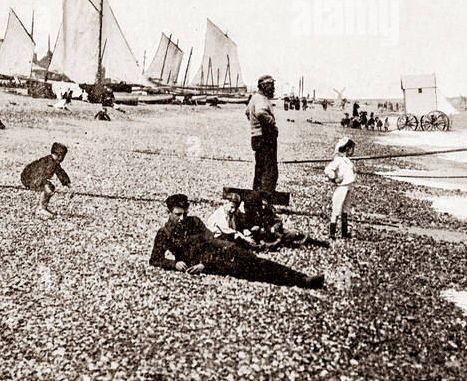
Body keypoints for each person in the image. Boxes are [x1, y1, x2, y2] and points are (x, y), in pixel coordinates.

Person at [149, 194, 323, 289]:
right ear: (169, 212)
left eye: (184, 213)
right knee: (253, 272)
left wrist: (204, 263)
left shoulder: (194, 221)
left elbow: (212, 241)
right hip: (215, 264)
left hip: (219, 253)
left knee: (259, 262)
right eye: (177, 214)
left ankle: (302, 278)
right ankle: (302, 282)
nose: (182, 218)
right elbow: (155, 259)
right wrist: (174, 264)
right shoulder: (164, 233)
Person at [246, 74, 278, 194]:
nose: (273, 88)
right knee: (269, 169)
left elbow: (247, 112)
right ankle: (265, 198)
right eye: (272, 85)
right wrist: (272, 123)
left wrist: (254, 126)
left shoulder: (254, 98)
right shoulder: (261, 99)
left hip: (256, 136)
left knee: (260, 167)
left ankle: (257, 194)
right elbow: (260, 112)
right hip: (265, 137)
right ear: (264, 86)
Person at [21, 143, 71, 217]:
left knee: (50, 188)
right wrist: (44, 184)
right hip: (29, 178)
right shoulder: (47, 163)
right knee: (48, 189)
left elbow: (60, 172)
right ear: (60, 155)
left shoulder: (53, 162)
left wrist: (67, 183)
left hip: (34, 177)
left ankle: (43, 207)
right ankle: (41, 209)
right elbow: (39, 175)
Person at [324, 137, 357, 239]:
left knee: (346, 209)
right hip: (342, 187)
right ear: (347, 148)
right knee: (337, 208)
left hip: (349, 187)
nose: (353, 151)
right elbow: (328, 170)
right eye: (352, 149)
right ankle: (332, 233)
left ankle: (344, 232)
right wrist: (334, 179)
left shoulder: (348, 161)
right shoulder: (338, 160)